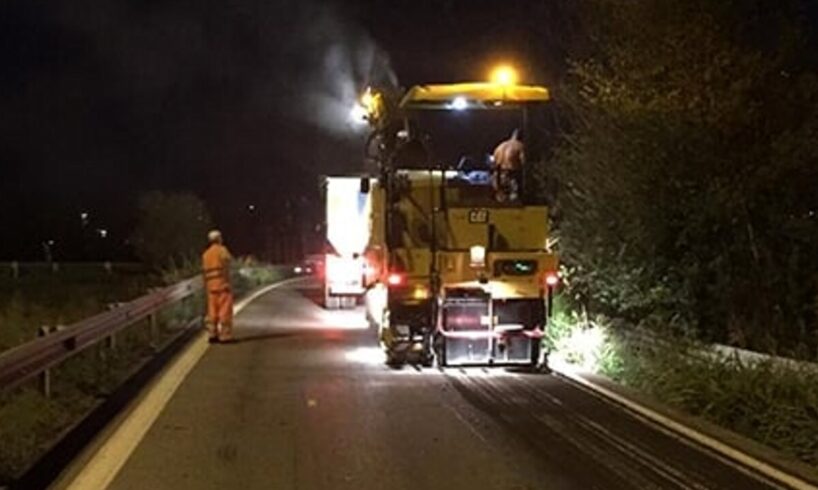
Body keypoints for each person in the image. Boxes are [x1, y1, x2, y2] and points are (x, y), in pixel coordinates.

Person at [202, 229, 233, 343]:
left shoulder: (206, 254)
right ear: (219, 239)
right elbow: (227, 265)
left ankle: (212, 334)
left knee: (212, 311)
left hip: (210, 287)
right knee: (224, 311)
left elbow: (205, 272)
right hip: (223, 286)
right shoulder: (222, 251)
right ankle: (225, 336)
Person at [491, 129, 525, 202]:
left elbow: (493, 164)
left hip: (499, 176)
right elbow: (524, 163)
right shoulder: (519, 146)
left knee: (501, 203)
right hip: (512, 176)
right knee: (514, 203)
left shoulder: (500, 146)